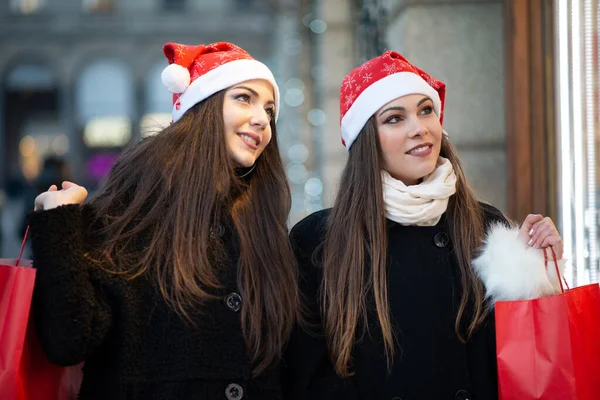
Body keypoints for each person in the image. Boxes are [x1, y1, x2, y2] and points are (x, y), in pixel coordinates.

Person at [282, 51, 564, 400]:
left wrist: (533, 270)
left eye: (425, 110)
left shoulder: (486, 227)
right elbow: (307, 378)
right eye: (395, 118)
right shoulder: (317, 241)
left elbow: (518, 362)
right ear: (366, 139)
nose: (420, 128)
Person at [28, 41, 299, 399]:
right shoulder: (133, 211)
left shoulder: (260, 219)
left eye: (269, 109)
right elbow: (69, 339)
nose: (263, 119)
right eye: (244, 98)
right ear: (200, 107)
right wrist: (58, 222)